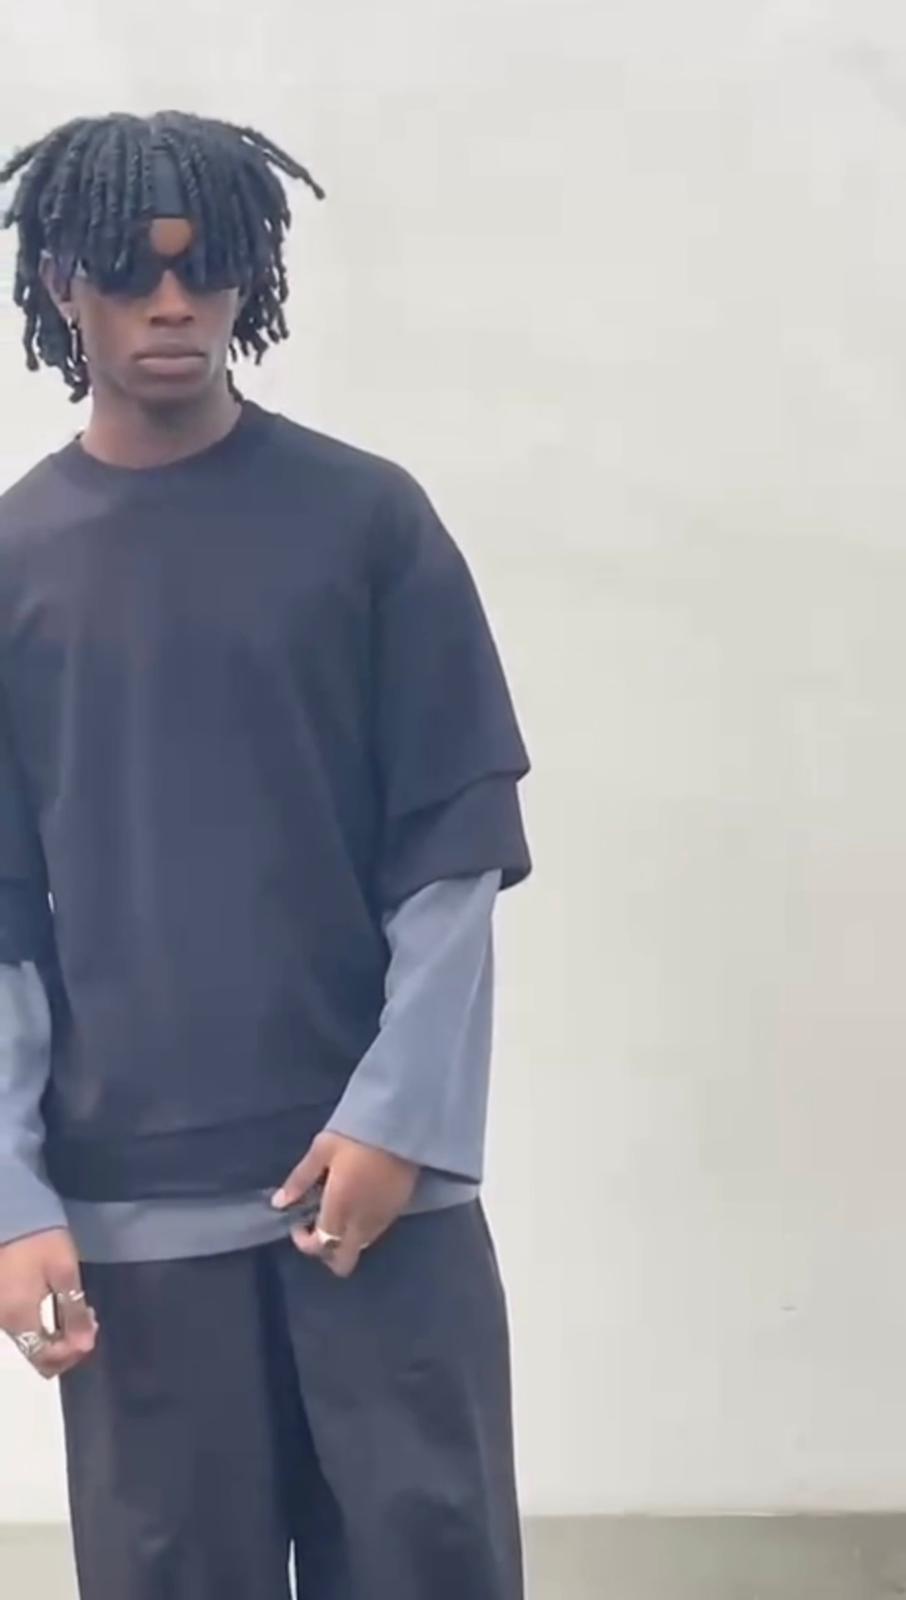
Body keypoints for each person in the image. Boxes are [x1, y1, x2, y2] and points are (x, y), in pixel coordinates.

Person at [0, 112, 531, 1600]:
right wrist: (14, 1198)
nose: (173, 304)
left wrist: (400, 1124)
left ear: (253, 280)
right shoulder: (14, 566)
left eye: (208, 268)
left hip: (380, 1210)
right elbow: (4, 921)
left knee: (428, 1569)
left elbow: (449, 852)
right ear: (61, 284)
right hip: (134, 1222)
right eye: (131, 270)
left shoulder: (368, 524)